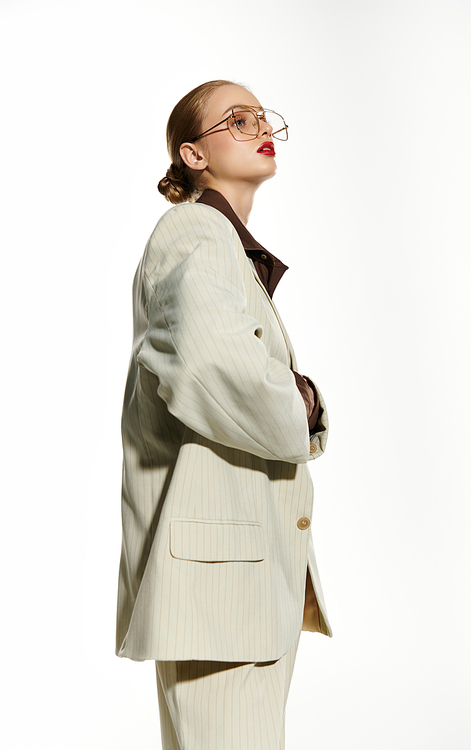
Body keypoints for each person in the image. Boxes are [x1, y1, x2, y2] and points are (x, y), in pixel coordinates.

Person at [116, 79, 332, 750]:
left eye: (263, 118)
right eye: (236, 119)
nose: (258, 126)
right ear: (193, 154)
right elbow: (220, 373)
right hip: (221, 588)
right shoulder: (196, 233)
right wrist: (307, 404)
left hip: (233, 583)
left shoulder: (221, 244)